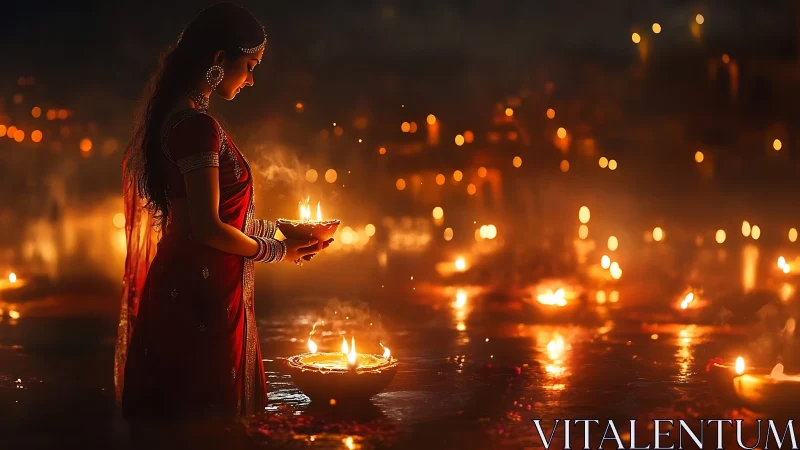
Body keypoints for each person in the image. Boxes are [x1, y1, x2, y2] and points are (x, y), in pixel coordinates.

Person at [113, 2, 331, 441]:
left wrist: (278, 228)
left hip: (200, 286)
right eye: (248, 65)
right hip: (200, 297)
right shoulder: (195, 126)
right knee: (206, 429)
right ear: (219, 61)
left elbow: (219, 214)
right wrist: (280, 250)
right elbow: (208, 228)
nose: (251, 79)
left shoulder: (180, 117)